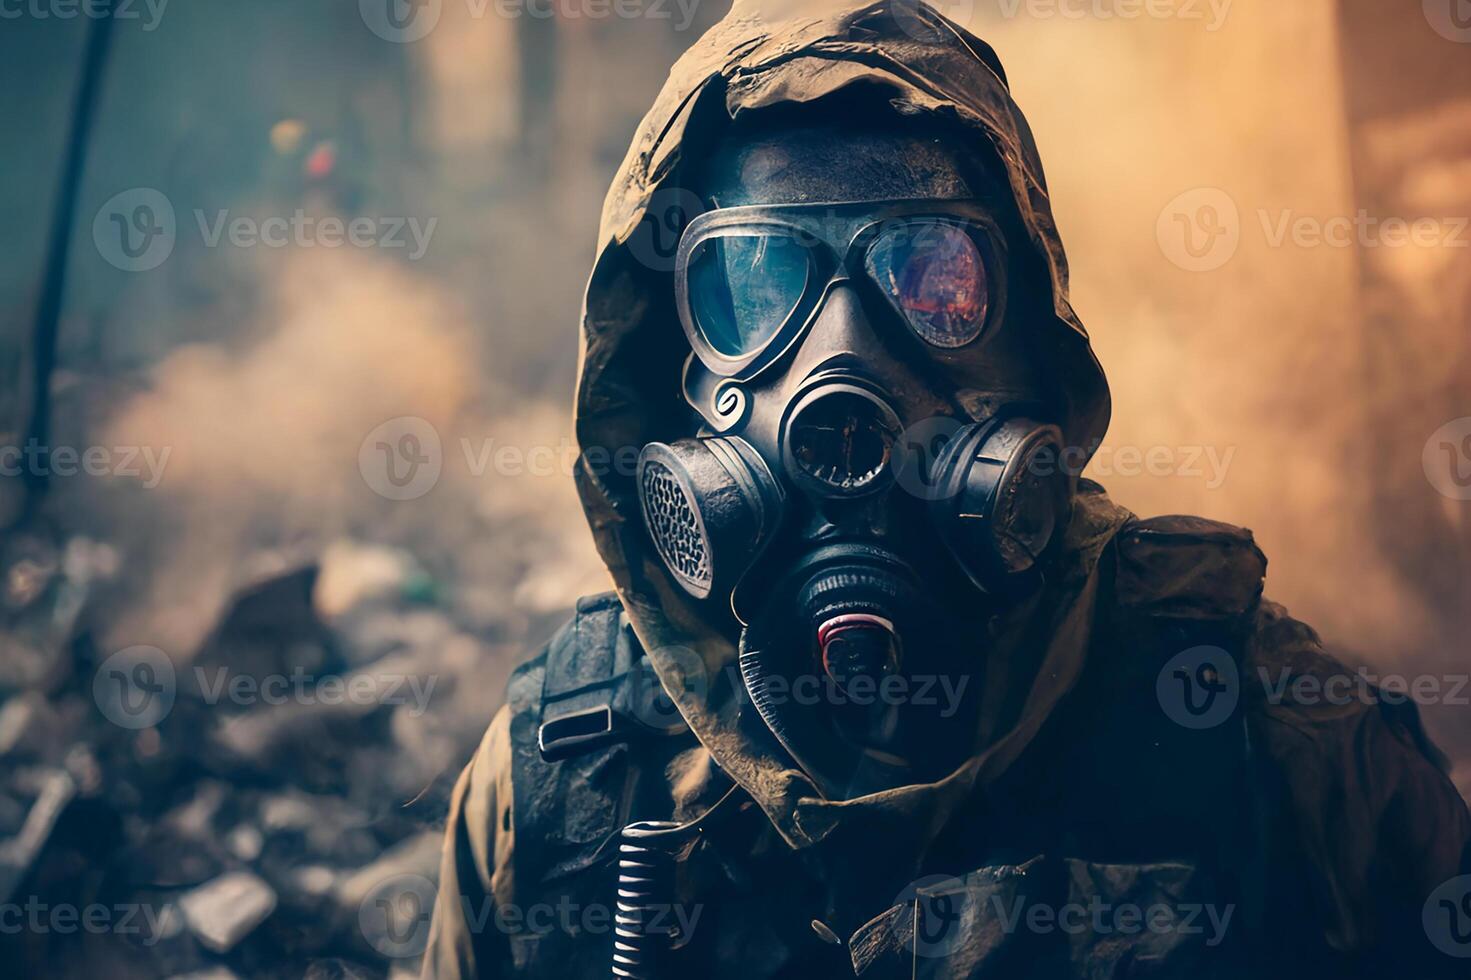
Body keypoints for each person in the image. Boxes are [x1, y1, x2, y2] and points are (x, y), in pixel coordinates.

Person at [422, 3, 1471, 977]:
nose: (840, 377)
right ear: (676, 378)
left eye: (931, 279)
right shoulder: (559, 787)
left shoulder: (1261, 728)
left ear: (1031, 347)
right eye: (753, 285)